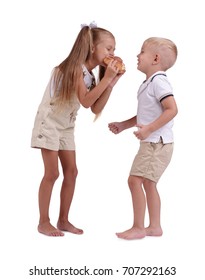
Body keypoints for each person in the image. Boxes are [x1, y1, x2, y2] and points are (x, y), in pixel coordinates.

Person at [31, 22, 125, 236]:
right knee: (52, 173)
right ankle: (43, 221)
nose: (113, 53)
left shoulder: (90, 76)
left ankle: (63, 219)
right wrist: (107, 78)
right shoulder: (73, 68)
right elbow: (84, 101)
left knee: (72, 172)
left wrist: (110, 84)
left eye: (114, 50)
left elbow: (95, 107)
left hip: (66, 126)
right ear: (93, 47)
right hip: (49, 122)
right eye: (109, 48)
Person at [109, 37, 178, 240]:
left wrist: (149, 129)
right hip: (156, 141)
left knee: (134, 180)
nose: (137, 55)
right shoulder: (148, 83)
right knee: (148, 183)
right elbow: (147, 114)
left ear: (155, 58)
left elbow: (172, 109)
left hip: (156, 142)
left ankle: (138, 227)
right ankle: (154, 227)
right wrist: (123, 125)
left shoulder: (159, 82)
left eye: (141, 52)